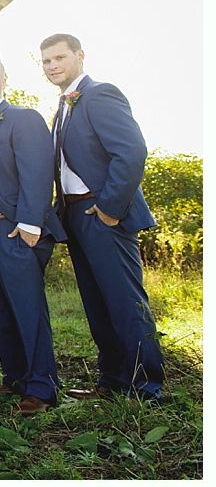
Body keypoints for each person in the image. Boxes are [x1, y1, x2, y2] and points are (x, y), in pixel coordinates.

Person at [40, 33, 164, 401]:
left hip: (103, 211)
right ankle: (112, 380)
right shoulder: (63, 107)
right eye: (46, 61)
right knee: (96, 302)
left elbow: (131, 152)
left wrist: (110, 208)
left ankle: (146, 386)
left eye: (59, 58)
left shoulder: (100, 94)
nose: (52, 66)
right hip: (75, 215)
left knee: (125, 301)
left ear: (80, 56)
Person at [0, 57, 64, 416]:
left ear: (4, 80)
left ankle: (41, 387)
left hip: (14, 229)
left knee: (27, 309)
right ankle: (16, 377)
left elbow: (37, 169)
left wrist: (30, 223)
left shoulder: (23, 118)